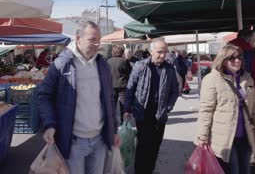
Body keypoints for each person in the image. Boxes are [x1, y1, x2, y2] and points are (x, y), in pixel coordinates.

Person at [38, 21, 119, 174]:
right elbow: (44, 96)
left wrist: (113, 129)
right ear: (78, 38)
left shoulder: (102, 64)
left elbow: (109, 98)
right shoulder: (62, 64)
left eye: (99, 39)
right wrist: (50, 124)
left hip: (100, 139)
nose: (97, 44)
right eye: (92, 39)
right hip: (73, 141)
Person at [196, 44, 255, 174]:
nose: (237, 61)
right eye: (232, 58)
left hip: (245, 137)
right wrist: (202, 136)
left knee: (245, 170)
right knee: (233, 170)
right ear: (223, 61)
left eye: (239, 57)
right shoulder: (212, 79)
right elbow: (206, 110)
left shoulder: (246, 78)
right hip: (224, 139)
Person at [124, 38, 180, 174]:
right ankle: (140, 170)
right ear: (151, 51)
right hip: (143, 113)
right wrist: (127, 109)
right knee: (144, 145)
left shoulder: (169, 69)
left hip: (160, 114)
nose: (162, 55)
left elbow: (175, 90)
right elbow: (130, 88)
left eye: (165, 52)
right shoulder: (140, 66)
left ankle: (150, 169)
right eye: (159, 52)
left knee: (155, 145)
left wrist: (168, 107)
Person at [229, 29, 255, 113]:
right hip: (247, 100)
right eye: (254, 39)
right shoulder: (252, 55)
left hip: (227, 99)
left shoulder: (225, 52)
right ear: (250, 40)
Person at [108, 46, 133, 123]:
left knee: (112, 105)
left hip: (111, 86)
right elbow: (129, 71)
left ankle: (112, 121)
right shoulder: (124, 61)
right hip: (123, 86)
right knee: (123, 105)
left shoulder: (108, 61)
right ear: (122, 53)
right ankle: (123, 121)